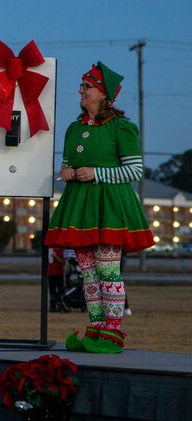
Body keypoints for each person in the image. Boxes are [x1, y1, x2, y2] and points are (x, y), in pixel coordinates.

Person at [45, 62, 154, 354]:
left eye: (87, 86)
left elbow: (134, 170)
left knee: (108, 271)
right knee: (87, 274)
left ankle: (113, 333)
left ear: (104, 94)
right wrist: (65, 172)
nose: (81, 91)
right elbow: (68, 164)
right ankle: (95, 328)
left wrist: (97, 173)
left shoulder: (122, 128)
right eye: (82, 86)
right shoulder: (74, 128)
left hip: (109, 209)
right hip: (80, 208)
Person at [48, 247, 67, 312]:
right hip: (50, 273)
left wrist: (55, 256)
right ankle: (53, 305)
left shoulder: (60, 250)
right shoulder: (48, 250)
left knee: (60, 290)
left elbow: (63, 262)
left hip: (58, 273)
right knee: (52, 290)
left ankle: (61, 304)